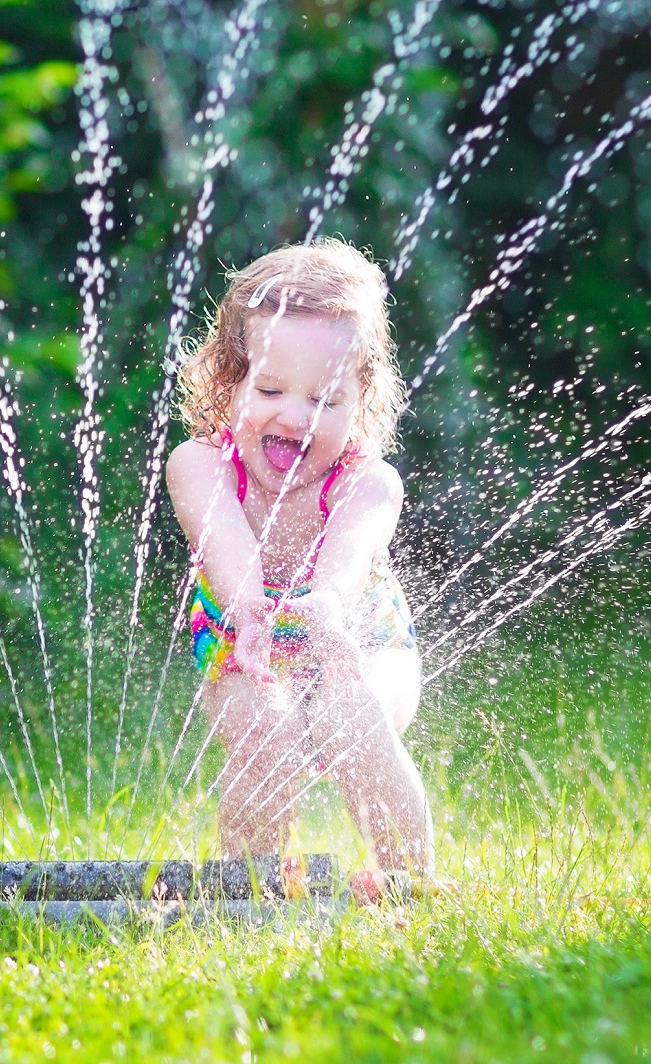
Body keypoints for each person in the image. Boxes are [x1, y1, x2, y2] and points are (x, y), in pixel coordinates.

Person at [165, 237, 433, 879]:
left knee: (354, 719)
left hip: (358, 634)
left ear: (360, 404)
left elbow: (346, 559)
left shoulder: (368, 481)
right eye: (271, 389)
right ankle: (247, 887)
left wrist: (327, 613)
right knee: (264, 739)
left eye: (324, 400)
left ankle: (406, 883)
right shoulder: (199, 465)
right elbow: (223, 540)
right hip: (240, 633)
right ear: (227, 383)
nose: (296, 416)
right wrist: (250, 606)